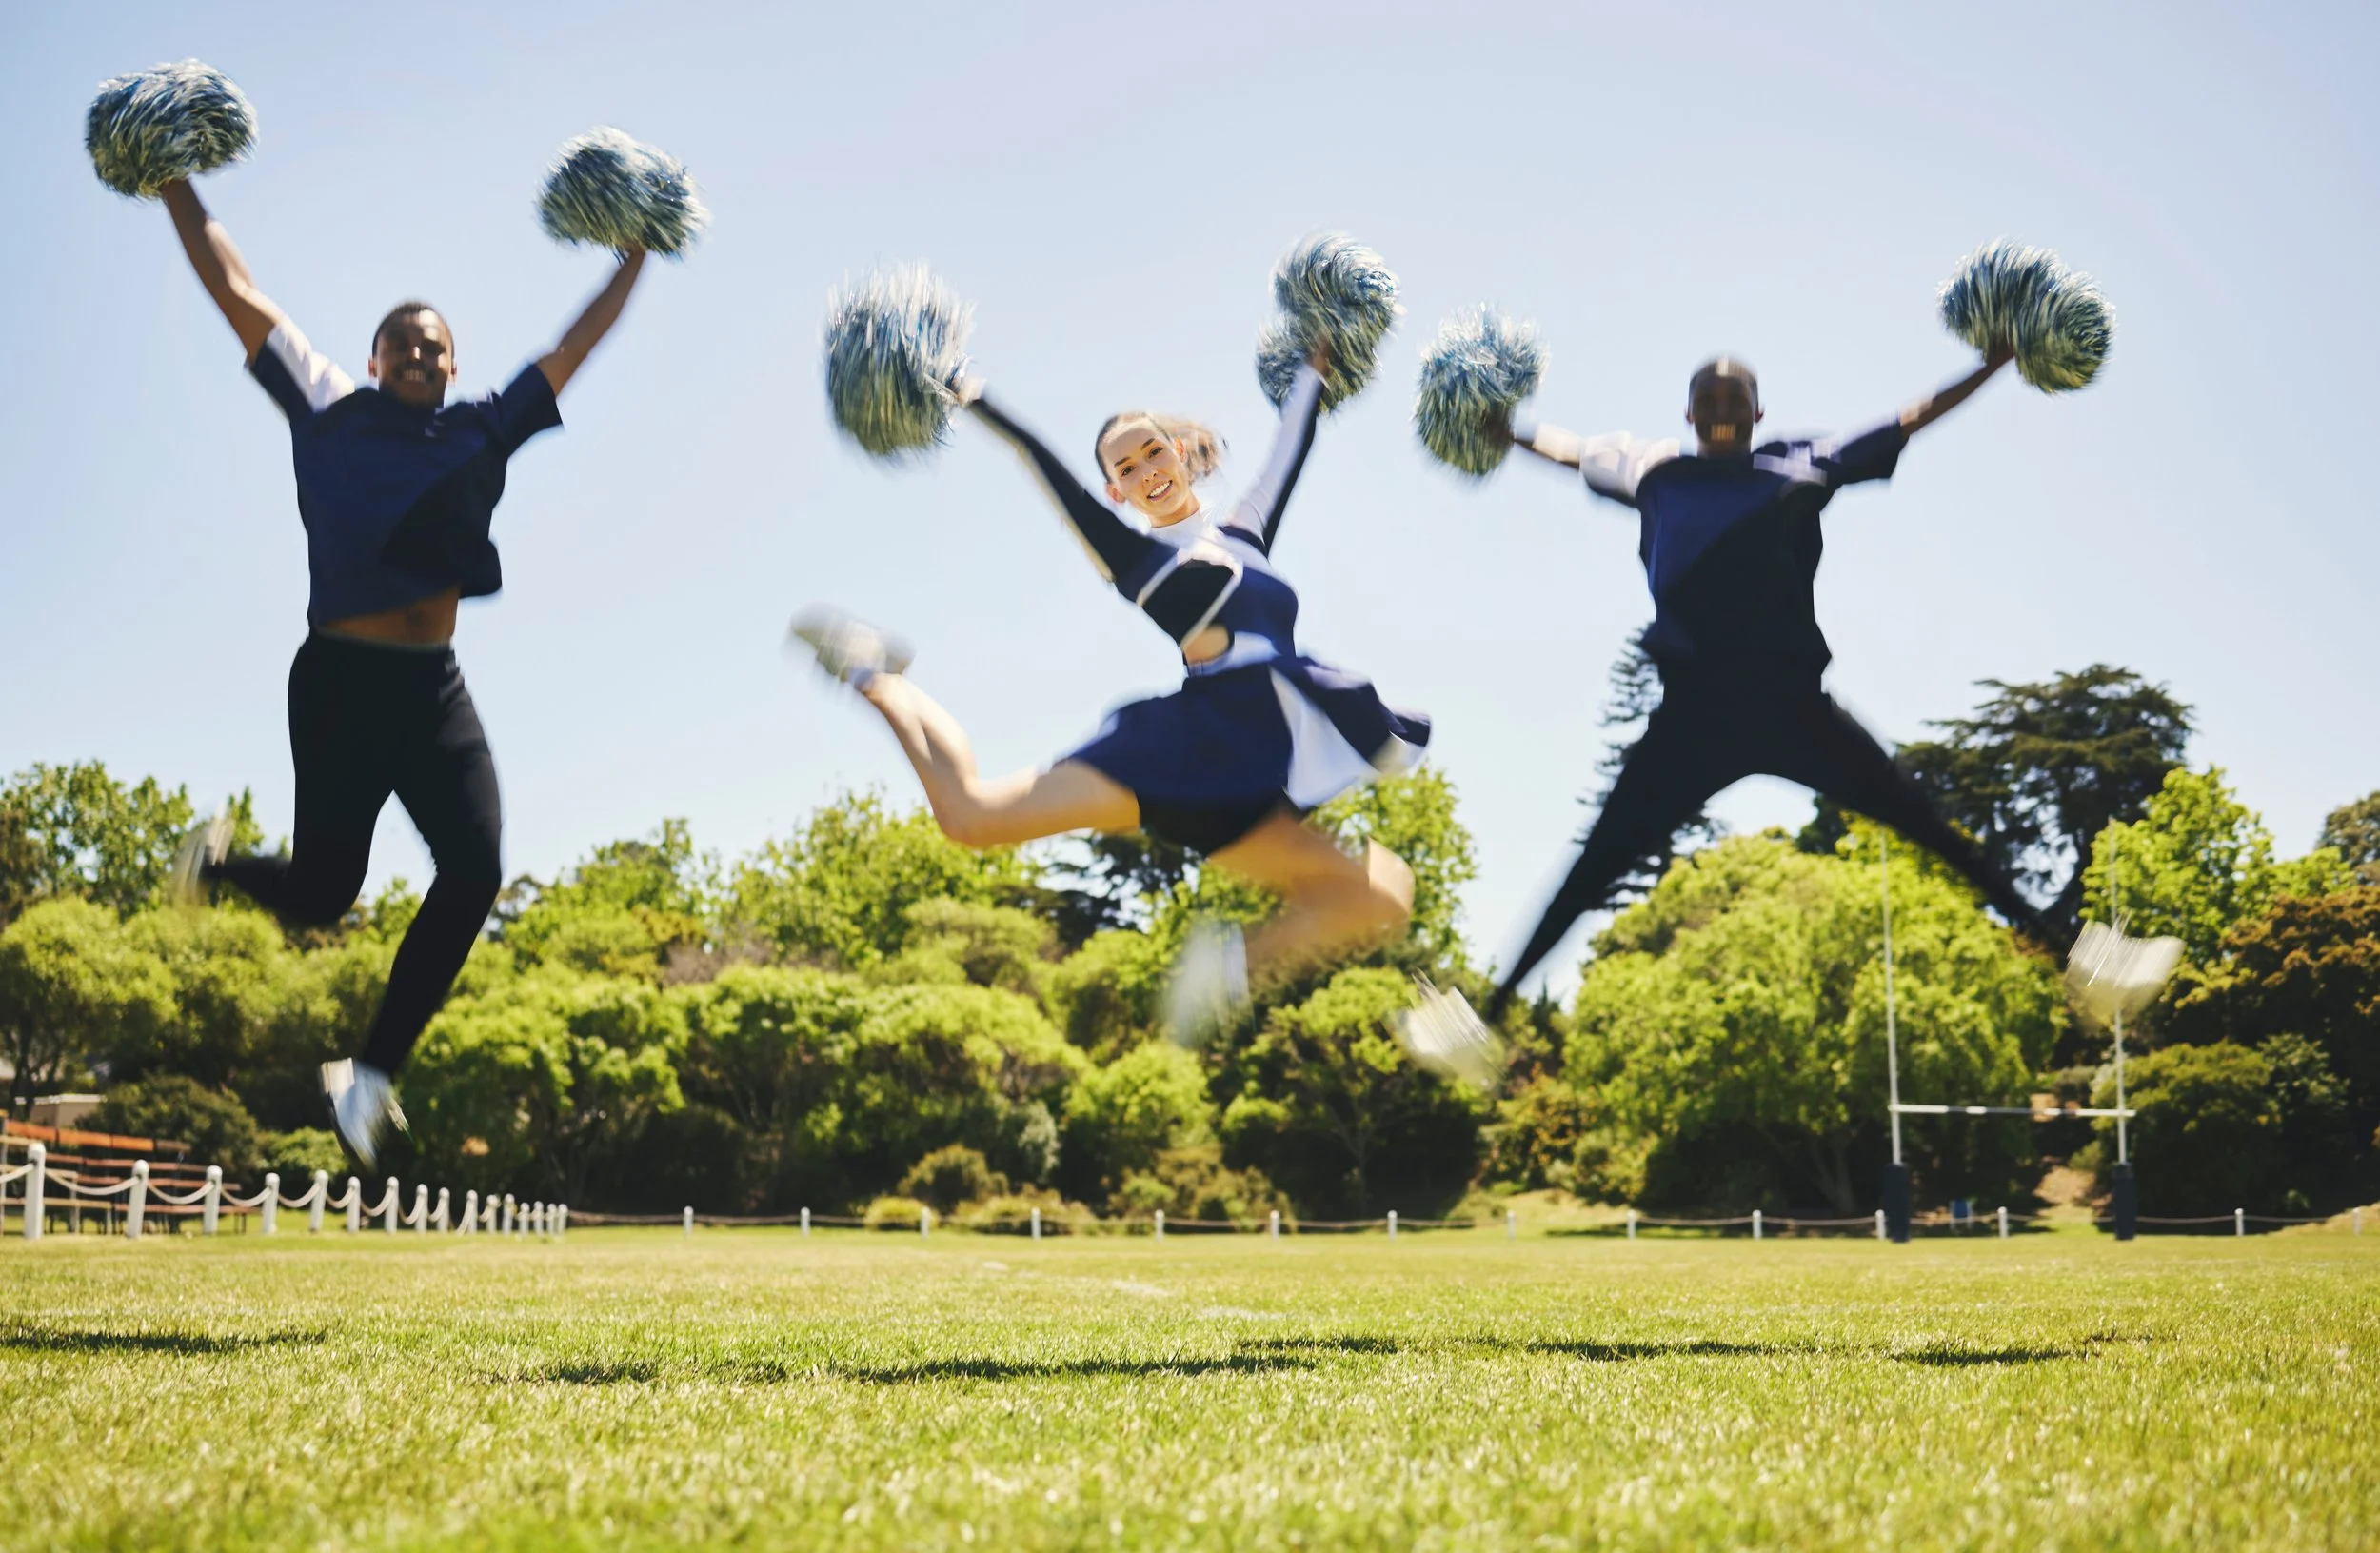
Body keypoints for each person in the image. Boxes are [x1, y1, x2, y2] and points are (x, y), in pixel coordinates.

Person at [154, 175, 649, 1166]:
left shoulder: (482, 426)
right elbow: (236, 289)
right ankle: (216, 864)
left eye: (435, 346)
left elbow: (574, 346)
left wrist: (637, 249)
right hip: (339, 681)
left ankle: (371, 1073)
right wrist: (174, 176)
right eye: (402, 343)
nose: (419, 354)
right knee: (324, 895)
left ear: (453, 364)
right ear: (375, 359)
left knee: (475, 869)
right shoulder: (330, 406)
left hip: (433, 688)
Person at [793, 348, 1427, 1040]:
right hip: (1187, 751)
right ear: (1117, 494)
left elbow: (1289, 448)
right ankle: (874, 674)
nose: (1146, 471)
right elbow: (1040, 463)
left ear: (1182, 454)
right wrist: (971, 395)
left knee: (1383, 897)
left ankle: (1227, 969)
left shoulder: (1246, 533)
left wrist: (1315, 367)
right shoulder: (1139, 562)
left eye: (1154, 452)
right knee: (968, 817)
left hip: (1259, 763)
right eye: (1125, 469)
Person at [1488, 344, 2069, 1013]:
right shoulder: (1656, 472)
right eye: (1708, 397)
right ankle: (1490, 1008)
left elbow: (1912, 416)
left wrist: (1993, 365)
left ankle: (2068, 949)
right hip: (1693, 721)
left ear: (1760, 411)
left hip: (1795, 711)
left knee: (1929, 825)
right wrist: (1504, 429)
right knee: (1594, 866)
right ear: (1689, 412)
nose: (1722, 406)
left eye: (1736, 397)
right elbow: (1569, 450)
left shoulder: (1804, 460)